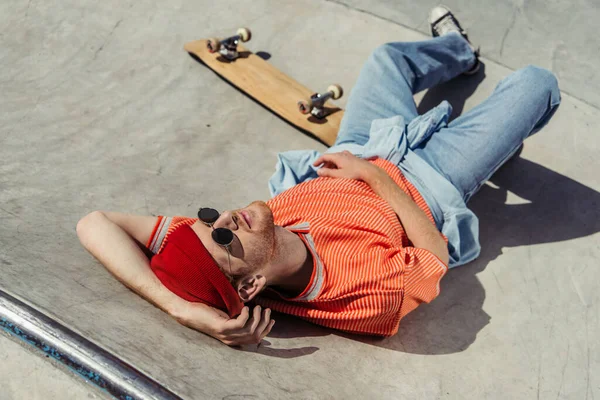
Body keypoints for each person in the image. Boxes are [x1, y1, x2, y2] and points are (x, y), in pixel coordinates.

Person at [76, 6, 561, 346]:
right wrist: (375, 178)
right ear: (250, 287)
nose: (225, 216)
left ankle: (459, 51)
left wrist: (181, 309)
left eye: (209, 216)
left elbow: (94, 223)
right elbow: (433, 258)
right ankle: (495, 145)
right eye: (223, 235)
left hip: (360, 147)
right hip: (428, 181)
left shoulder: (243, 238)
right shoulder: (360, 296)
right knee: (536, 84)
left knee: (387, 59)